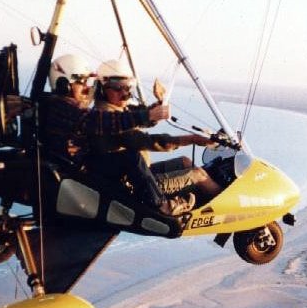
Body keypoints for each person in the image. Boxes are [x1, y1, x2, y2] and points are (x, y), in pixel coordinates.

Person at [41, 54, 194, 216]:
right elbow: (103, 122)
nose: (87, 88)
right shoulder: (64, 109)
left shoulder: (64, 106)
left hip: (85, 168)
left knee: (144, 159)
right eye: (81, 82)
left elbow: (127, 117)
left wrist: (154, 110)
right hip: (84, 174)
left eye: (88, 82)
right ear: (64, 84)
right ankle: (163, 207)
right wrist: (150, 117)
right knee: (131, 157)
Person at [92, 59, 222, 200]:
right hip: (135, 184)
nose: (124, 93)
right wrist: (193, 139)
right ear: (101, 88)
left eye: (128, 87)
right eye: (117, 87)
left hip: (142, 172)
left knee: (185, 161)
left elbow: (144, 117)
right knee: (198, 175)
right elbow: (149, 141)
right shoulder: (107, 116)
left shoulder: (118, 108)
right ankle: (227, 210)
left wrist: (161, 102)